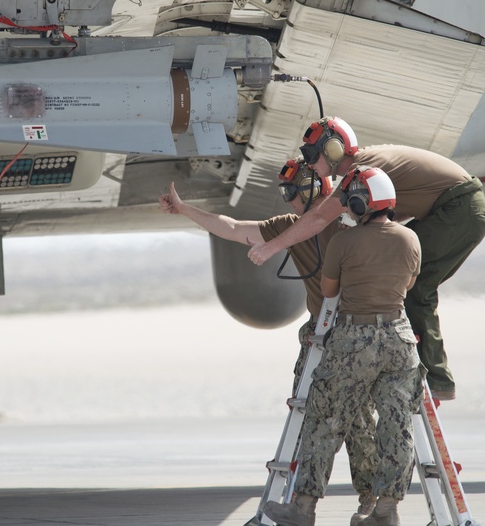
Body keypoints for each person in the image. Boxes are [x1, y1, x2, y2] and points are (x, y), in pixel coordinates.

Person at [158, 158, 380, 514]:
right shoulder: (292, 226)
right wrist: (185, 210)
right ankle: (323, 502)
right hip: (323, 331)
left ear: (307, 190)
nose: (288, 200)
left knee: (351, 419)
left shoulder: (348, 224)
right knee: (326, 415)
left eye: (290, 192)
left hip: (350, 331)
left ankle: (353, 501)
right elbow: (230, 227)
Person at [247, 117, 485, 401]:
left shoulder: (363, 168)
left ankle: (435, 380)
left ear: (334, 150)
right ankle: (418, 371)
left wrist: (270, 247)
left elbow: (319, 217)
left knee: (414, 289)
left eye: (312, 156)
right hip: (452, 209)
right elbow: (387, 218)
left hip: (458, 209)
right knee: (397, 271)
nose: (310, 165)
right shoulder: (366, 170)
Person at [263, 166, 423, 526]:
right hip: (399, 339)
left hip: (354, 341)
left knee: (325, 421)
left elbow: (330, 291)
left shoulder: (343, 242)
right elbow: (410, 284)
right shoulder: (410, 240)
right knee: (397, 425)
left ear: (359, 201)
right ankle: (386, 511)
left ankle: (302, 510)